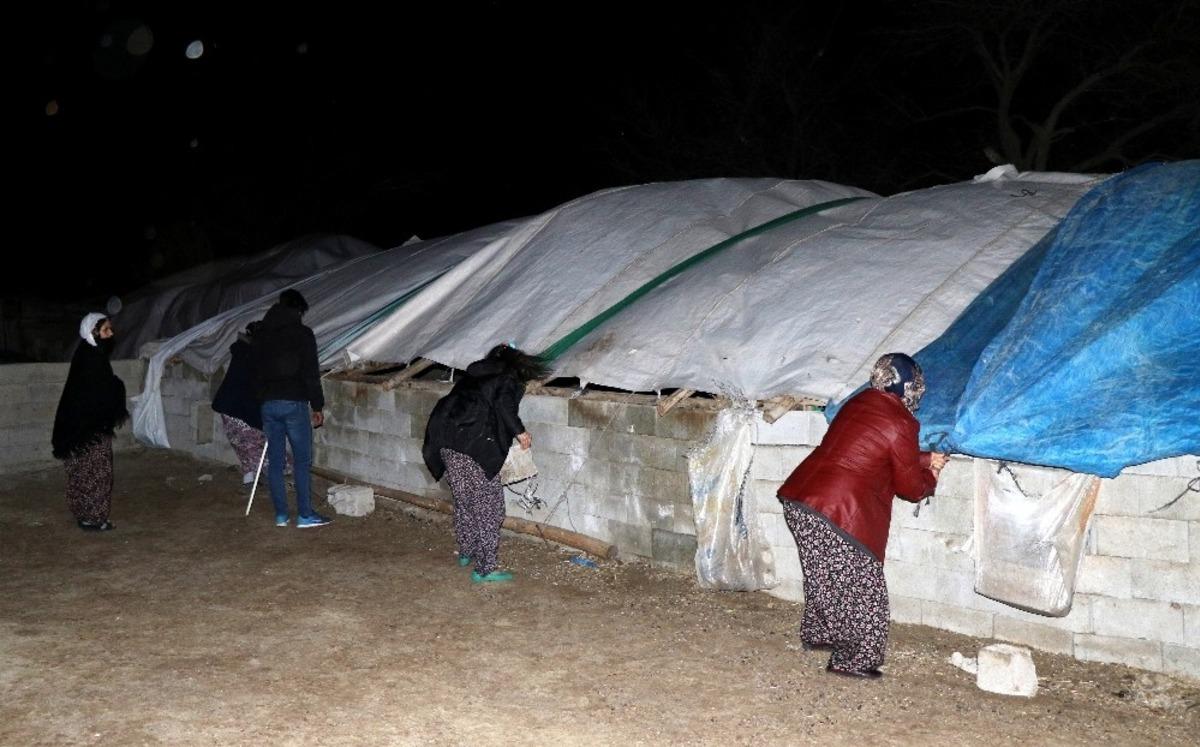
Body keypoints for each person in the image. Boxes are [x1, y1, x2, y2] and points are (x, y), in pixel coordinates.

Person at [777, 352, 948, 679]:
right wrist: (932, 476)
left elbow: (872, 447)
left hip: (801, 500)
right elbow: (910, 487)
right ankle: (854, 659)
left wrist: (927, 458)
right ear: (909, 387)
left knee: (824, 575)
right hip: (838, 509)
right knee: (863, 588)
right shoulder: (901, 421)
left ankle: (821, 635)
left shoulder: (858, 404)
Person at [422, 344, 549, 583]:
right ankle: (485, 569)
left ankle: (466, 551)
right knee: (489, 508)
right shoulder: (506, 378)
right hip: (476, 446)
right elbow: (503, 405)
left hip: (447, 441)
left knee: (465, 501)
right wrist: (520, 432)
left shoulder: (473, 376)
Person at [253, 289, 330, 528]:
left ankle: (281, 515)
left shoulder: (261, 334)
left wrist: (261, 400)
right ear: (298, 309)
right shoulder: (302, 334)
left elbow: (255, 372)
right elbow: (310, 373)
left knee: (275, 461)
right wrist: (317, 405)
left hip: (268, 403)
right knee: (301, 460)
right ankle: (305, 515)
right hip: (293, 402)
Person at [51, 313, 129, 531]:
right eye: (106, 331)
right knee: (97, 473)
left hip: (77, 429)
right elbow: (99, 394)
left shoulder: (86, 354)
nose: (111, 334)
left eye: (110, 330)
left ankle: (84, 514)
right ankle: (94, 519)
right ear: (92, 333)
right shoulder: (93, 360)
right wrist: (116, 386)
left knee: (82, 473)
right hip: (89, 430)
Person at [211, 323, 291, 485]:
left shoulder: (243, 351)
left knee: (244, 444)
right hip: (239, 408)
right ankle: (273, 477)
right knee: (255, 445)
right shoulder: (256, 357)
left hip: (229, 406)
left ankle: (249, 477)